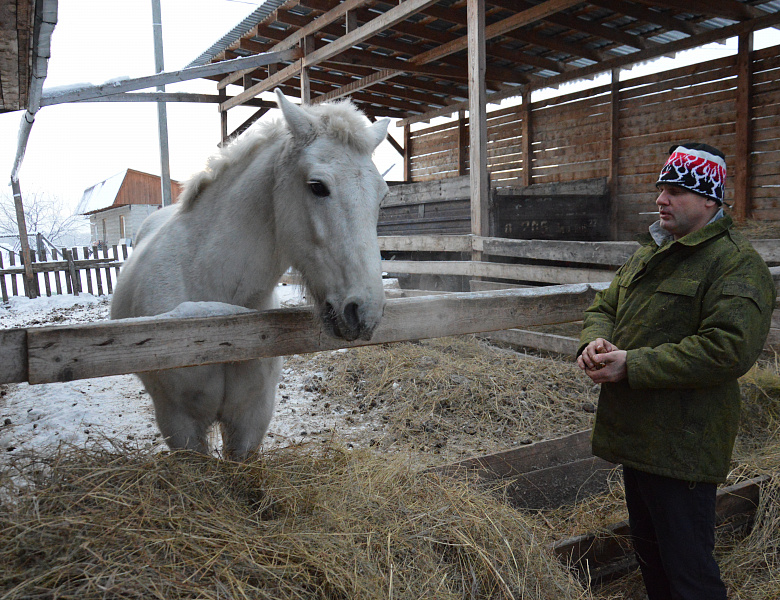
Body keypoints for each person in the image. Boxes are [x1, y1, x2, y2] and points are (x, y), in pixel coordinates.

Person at [577, 142, 776, 600]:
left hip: (685, 445)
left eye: (676, 190)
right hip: (639, 438)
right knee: (653, 564)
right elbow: (606, 304)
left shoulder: (735, 264)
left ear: (710, 200)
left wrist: (634, 364)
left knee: (690, 575)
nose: (661, 199)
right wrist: (596, 340)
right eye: (661, 188)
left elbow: (728, 349)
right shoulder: (652, 252)